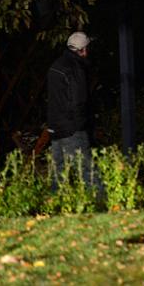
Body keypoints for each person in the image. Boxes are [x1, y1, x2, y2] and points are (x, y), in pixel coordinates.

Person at [47, 31, 98, 187]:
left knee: (58, 171)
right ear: (82, 50)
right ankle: (100, 202)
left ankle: (55, 205)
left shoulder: (56, 65)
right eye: (87, 48)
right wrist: (82, 126)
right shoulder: (76, 69)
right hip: (72, 128)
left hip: (55, 126)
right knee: (87, 170)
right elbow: (78, 101)